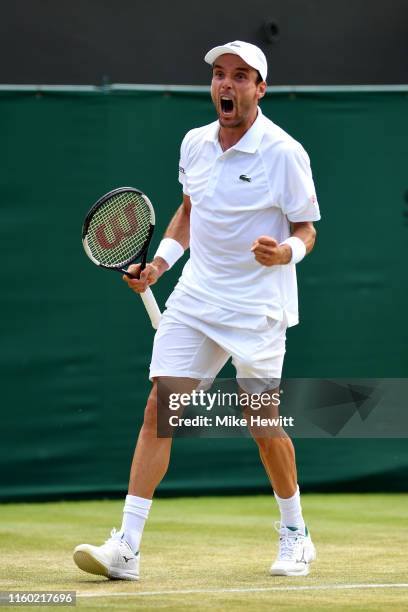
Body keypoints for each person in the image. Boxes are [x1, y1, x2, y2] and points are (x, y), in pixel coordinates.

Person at [73, 40, 320, 581]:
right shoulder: (194, 143)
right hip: (197, 297)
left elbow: (307, 229)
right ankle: (127, 547)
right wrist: (160, 264)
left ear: (260, 88)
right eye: (219, 76)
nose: (226, 85)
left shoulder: (284, 152)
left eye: (239, 77)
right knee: (160, 408)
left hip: (258, 307)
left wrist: (285, 252)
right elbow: (189, 211)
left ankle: (296, 532)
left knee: (262, 424)